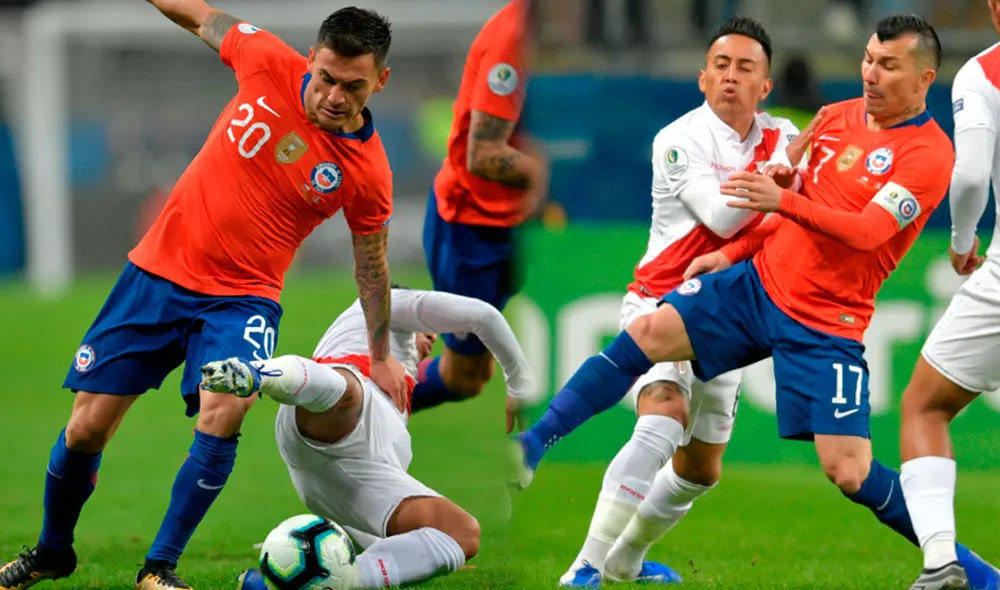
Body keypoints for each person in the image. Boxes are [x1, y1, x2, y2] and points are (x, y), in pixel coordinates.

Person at [514, 13, 1000, 589]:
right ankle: (534, 444)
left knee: (849, 472)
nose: (870, 73)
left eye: (888, 65)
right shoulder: (834, 118)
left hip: (826, 323)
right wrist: (733, 251)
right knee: (647, 336)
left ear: (924, 78)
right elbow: (786, 205)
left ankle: (970, 571)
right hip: (758, 285)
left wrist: (779, 202)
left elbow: (866, 232)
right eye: (868, 58)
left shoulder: (929, 155)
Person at [0, 3, 410, 589]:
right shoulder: (266, 59)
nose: (334, 96)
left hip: (243, 298)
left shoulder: (367, 172)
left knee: (229, 406)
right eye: (325, 77)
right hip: (157, 272)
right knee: (87, 428)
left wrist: (379, 354)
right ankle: (51, 551)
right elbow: (199, 16)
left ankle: (158, 568)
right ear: (312, 59)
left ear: (379, 81)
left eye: (353, 86)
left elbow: (371, 265)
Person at [559, 16, 817, 588]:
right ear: (702, 79)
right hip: (662, 303)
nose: (730, 76)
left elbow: (808, 207)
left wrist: (794, 175)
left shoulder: (784, 135)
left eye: (745, 67)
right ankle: (584, 569)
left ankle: (626, 558)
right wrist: (778, 178)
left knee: (700, 469)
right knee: (662, 419)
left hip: (727, 319)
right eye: (720, 66)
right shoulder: (679, 138)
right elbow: (724, 216)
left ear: (765, 86)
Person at [198, 287, 535, 589]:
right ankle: (259, 373)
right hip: (324, 410)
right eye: (427, 330)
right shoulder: (383, 305)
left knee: (462, 534)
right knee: (348, 390)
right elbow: (483, 315)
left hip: (332, 477)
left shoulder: (399, 389)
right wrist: (520, 386)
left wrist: (408, 557)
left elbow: (381, 536)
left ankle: (334, 581)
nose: (433, 337)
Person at [899, 2, 1000, 589]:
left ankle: (941, 563)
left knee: (925, 406)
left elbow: (968, 177)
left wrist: (963, 241)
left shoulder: (984, 74)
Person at [413, 0, 547, 413]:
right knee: (466, 377)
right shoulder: (514, 38)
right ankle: (345, 401)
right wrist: (549, 174)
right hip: (474, 226)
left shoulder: (578, 30)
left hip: (533, 222)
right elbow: (483, 154)